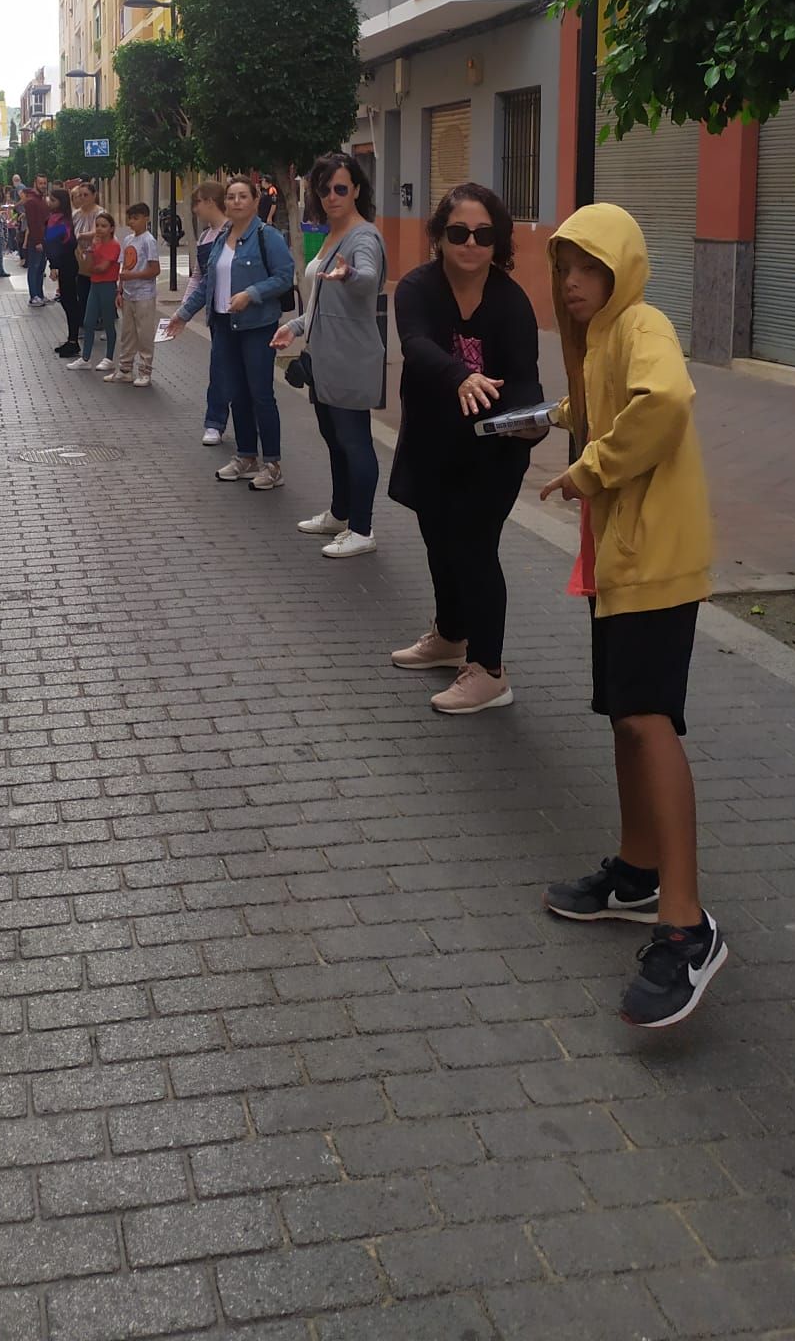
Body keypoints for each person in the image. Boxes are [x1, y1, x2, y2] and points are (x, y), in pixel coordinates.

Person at [538, 203, 724, 1030]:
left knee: (648, 721)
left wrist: (591, 469)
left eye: (587, 269)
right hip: (621, 560)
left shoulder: (643, 322)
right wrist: (552, 419)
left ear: (620, 270)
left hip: (656, 557)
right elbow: (605, 405)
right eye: (564, 270)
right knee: (624, 719)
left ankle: (686, 927)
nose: (573, 284)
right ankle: (638, 873)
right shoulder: (603, 339)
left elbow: (665, 401)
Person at [388, 183, 543, 711]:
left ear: (498, 241)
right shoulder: (416, 288)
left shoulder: (511, 300)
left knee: (475, 548)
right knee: (438, 540)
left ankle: (490, 669)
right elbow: (416, 345)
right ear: (439, 236)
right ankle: (450, 637)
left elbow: (524, 378)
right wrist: (459, 376)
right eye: (458, 233)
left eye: (483, 234)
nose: (471, 244)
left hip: (493, 452)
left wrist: (533, 422)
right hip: (434, 441)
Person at [272, 151, 387, 560]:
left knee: (354, 441)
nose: (332, 196)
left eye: (341, 188)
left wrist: (352, 275)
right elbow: (319, 302)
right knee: (334, 439)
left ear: (356, 189)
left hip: (351, 358)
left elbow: (368, 280)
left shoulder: (363, 237)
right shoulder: (330, 236)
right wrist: (295, 327)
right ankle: (341, 514)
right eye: (325, 189)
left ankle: (362, 528)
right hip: (323, 357)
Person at [166, 174, 294, 488]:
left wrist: (252, 293)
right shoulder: (220, 238)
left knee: (261, 395)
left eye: (243, 196)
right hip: (224, 326)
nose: (236, 202)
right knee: (236, 394)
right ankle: (247, 456)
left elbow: (284, 275)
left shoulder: (268, 236)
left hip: (256, 326)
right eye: (232, 197)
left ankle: (272, 464)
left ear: (254, 201)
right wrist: (182, 315)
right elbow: (208, 282)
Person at [174, 180, 232, 445]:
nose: (194, 209)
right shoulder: (206, 236)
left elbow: (211, 278)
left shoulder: (232, 232)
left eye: (196, 203)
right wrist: (183, 308)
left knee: (237, 374)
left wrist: (185, 312)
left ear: (210, 201)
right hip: (216, 312)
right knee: (218, 369)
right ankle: (215, 423)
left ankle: (236, 427)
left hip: (238, 311)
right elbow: (199, 276)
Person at [107, 202, 160, 387]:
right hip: (129, 293)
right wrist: (120, 289)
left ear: (146, 218)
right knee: (127, 333)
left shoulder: (148, 240)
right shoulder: (128, 240)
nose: (132, 222)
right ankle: (125, 369)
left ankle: (145, 371)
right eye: (130, 218)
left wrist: (133, 275)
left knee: (144, 333)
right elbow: (124, 267)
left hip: (144, 294)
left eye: (136, 218)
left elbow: (155, 270)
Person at [69, 210, 122, 371]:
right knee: (88, 322)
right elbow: (90, 266)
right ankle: (85, 358)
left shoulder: (114, 245)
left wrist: (90, 262)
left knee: (108, 322)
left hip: (107, 285)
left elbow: (101, 268)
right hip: (95, 284)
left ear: (111, 228)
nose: (99, 229)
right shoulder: (96, 243)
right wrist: (90, 254)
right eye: (97, 225)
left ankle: (109, 357)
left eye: (104, 226)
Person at [44, 188, 81, 356]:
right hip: (68, 263)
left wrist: (54, 265)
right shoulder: (64, 219)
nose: (49, 202)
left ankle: (73, 341)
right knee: (68, 301)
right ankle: (72, 339)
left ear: (60, 202)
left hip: (65, 264)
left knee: (69, 302)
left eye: (52, 200)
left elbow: (53, 244)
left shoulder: (57, 220)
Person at [71, 183, 97, 351]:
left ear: (94, 196)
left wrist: (80, 236)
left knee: (93, 294)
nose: (82, 198)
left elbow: (99, 231)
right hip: (78, 258)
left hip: (95, 258)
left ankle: (94, 322)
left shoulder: (100, 213)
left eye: (85, 195)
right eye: (80, 195)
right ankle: (82, 323)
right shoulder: (76, 215)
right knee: (81, 291)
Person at [21, 173, 50, 305]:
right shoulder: (32, 201)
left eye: (44, 183)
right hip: (36, 241)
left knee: (41, 268)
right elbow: (33, 223)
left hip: (44, 239)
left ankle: (40, 294)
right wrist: (37, 241)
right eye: (41, 183)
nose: (43, 186)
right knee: (34, 267)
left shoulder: (41, 199)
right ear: (35, 184)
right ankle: (34, 296)